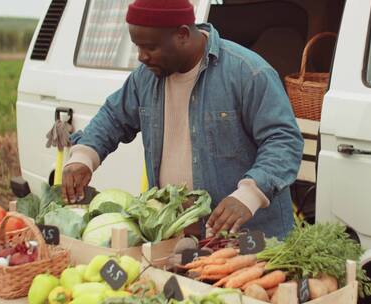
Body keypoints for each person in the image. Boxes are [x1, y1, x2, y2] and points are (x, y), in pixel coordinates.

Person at [61, 0, 304, 239]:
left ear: (182, 34)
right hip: (178, 236)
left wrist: (249, 195)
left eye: (150, 47)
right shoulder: (144, 78)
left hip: (250, 238)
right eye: (137, 47)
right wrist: (84, 157)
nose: (142, 57)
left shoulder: (247, 72)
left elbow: (283, 141)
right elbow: (112, 118)